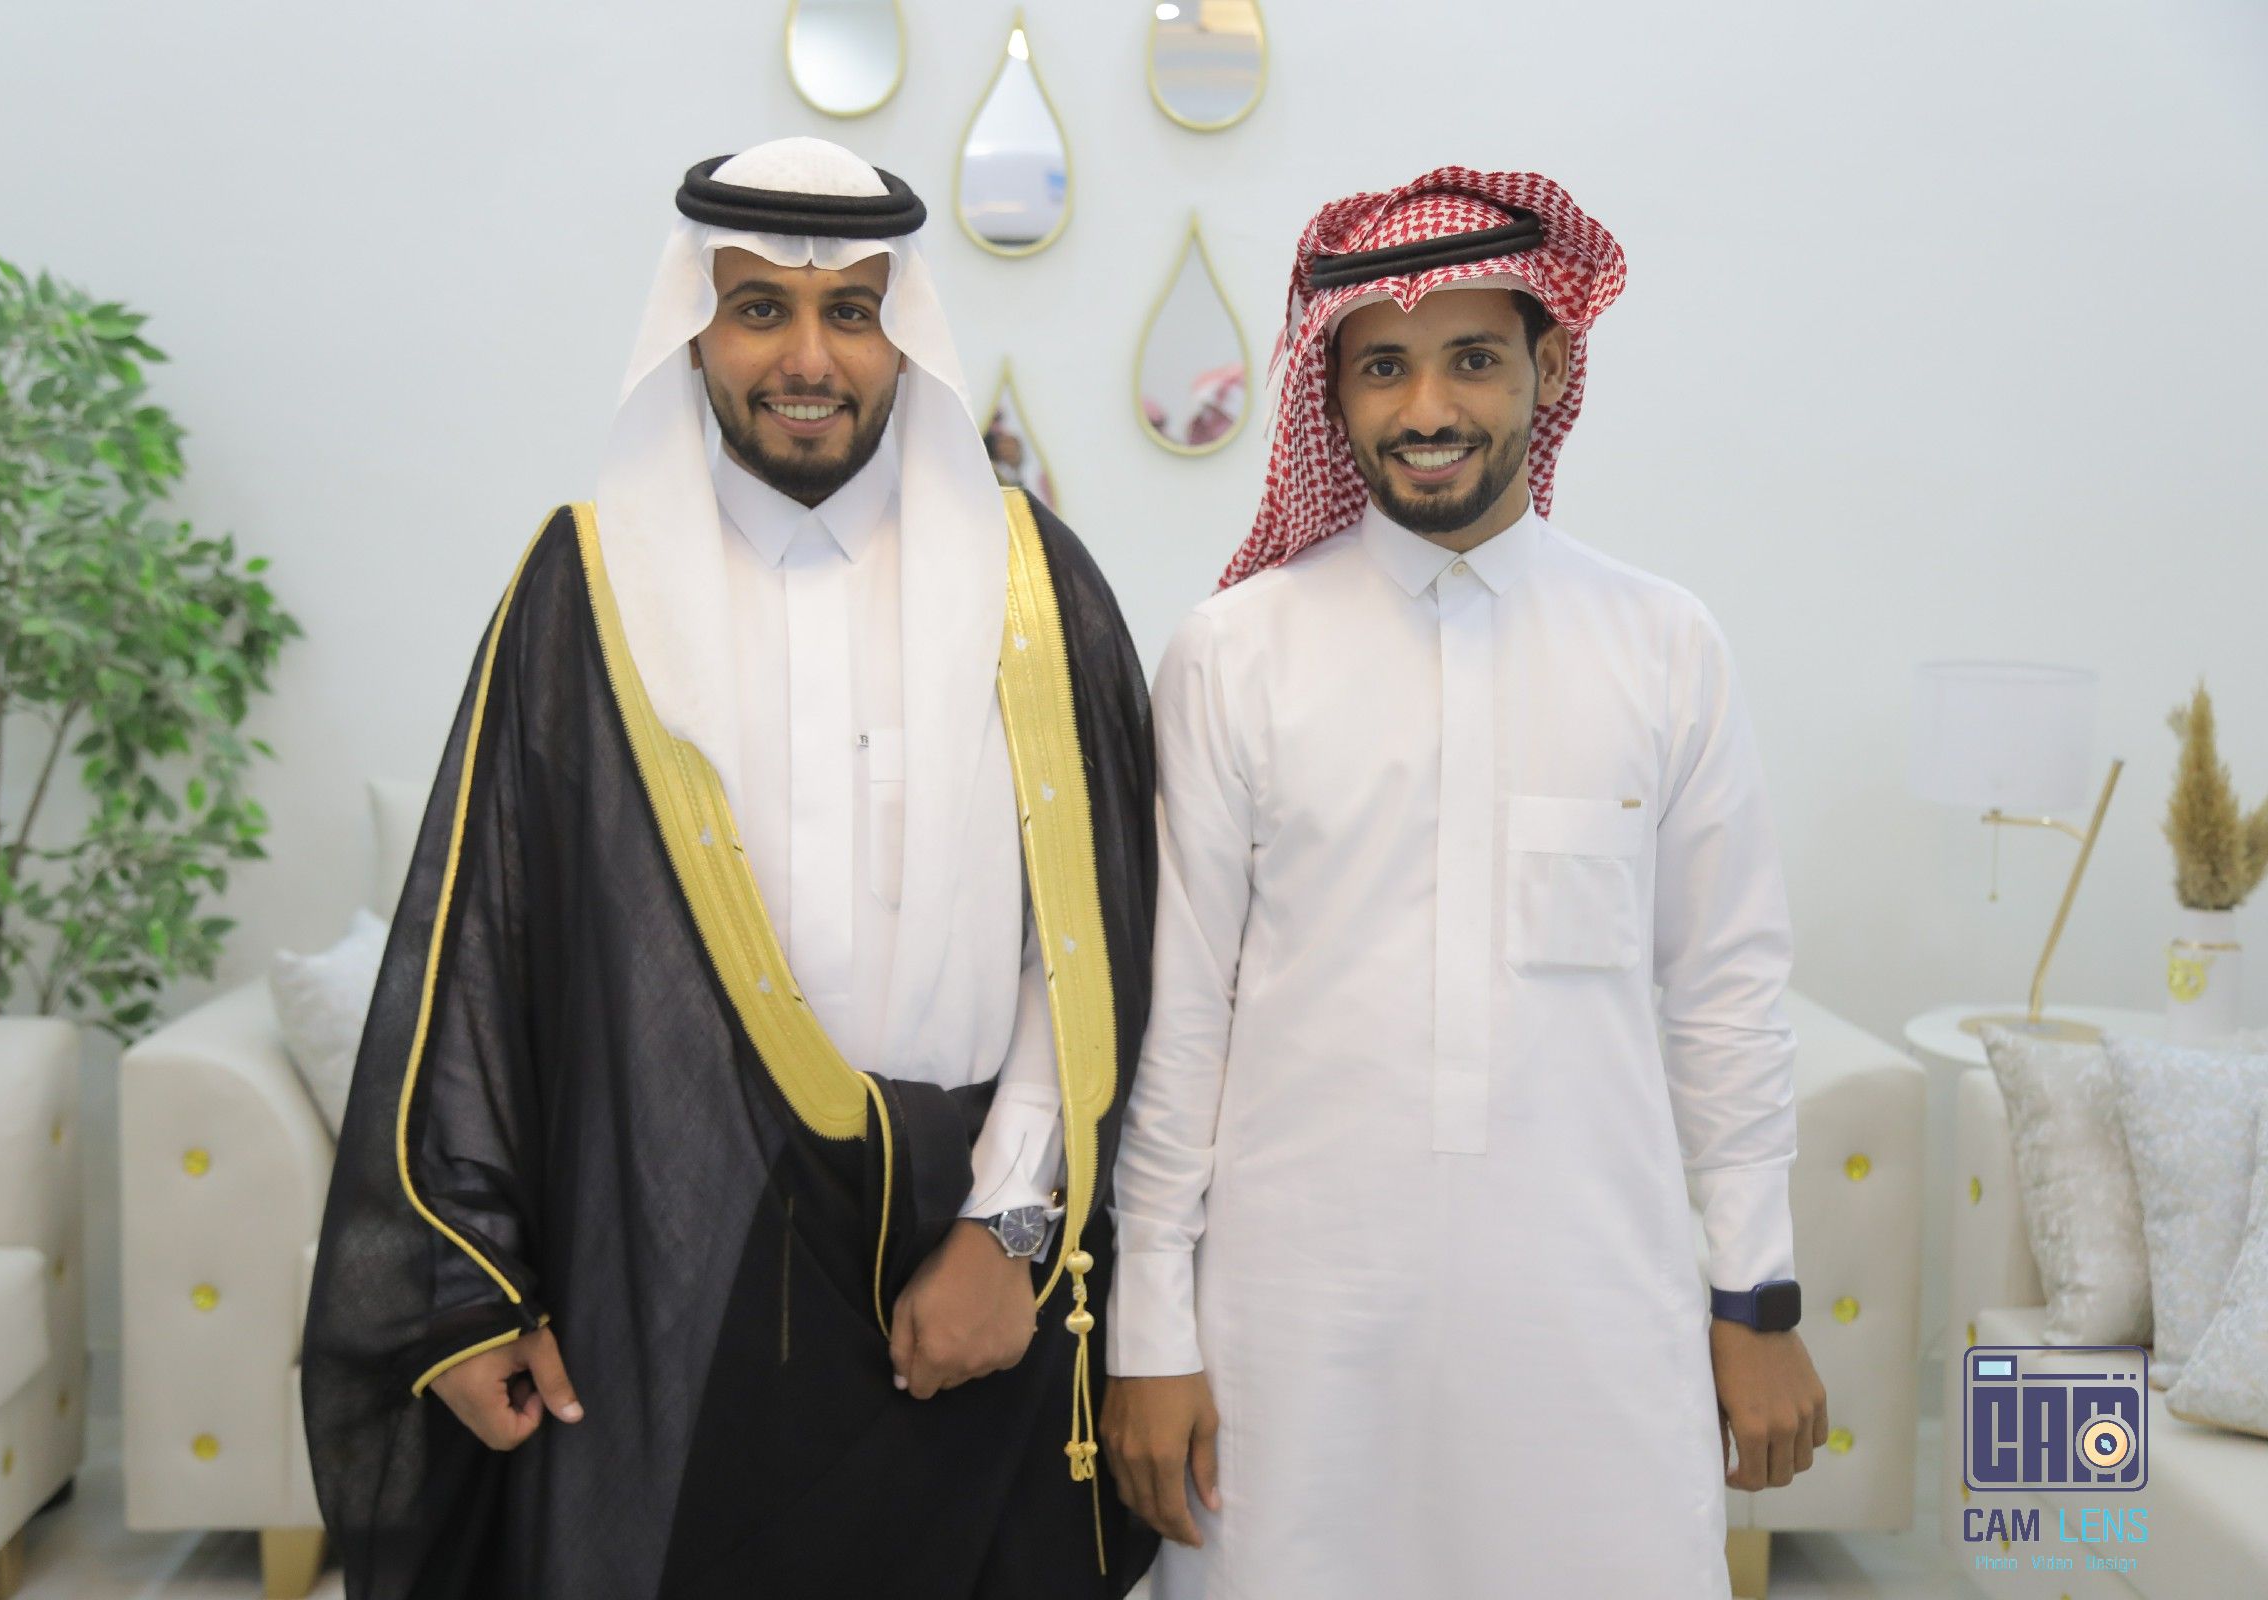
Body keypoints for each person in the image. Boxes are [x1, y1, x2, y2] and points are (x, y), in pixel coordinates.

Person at [301, 137, 1159, 1599]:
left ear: (905, 335)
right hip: (670, 1273)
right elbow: (480, 952)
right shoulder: (586, 590)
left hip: (966, 1278)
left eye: (852, 311)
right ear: (693, 332)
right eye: (760, 308)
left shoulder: (1031, 583)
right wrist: (473, 1286)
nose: (808, 357)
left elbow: (1088, 946)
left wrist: (1010, 1230)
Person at [1100, 167, 1828, 1598]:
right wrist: (1149, 1333)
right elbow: (1178, 1027)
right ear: (1333, 391)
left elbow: (1727, 1000)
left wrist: (1756, 1295)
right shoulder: (1236, 654)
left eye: (1473, 359)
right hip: (1292, 1335)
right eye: (1384, 366)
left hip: (1593, 1321)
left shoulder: (1664, 646)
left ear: (1548, 367)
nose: (1427, 407)